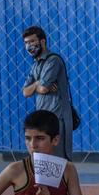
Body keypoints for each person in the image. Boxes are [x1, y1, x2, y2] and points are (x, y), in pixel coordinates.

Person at [22, 26, 74, 160]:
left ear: (43, 41)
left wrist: (39, 85)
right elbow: (25, 92)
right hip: (43, 119)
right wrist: (38, 83)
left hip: (58, 118)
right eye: (26, 43)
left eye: (32, 41)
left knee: (58, 158)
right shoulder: (36, 65)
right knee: (44, 158)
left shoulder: (53, 60)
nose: (29, 46)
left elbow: (43, 89)